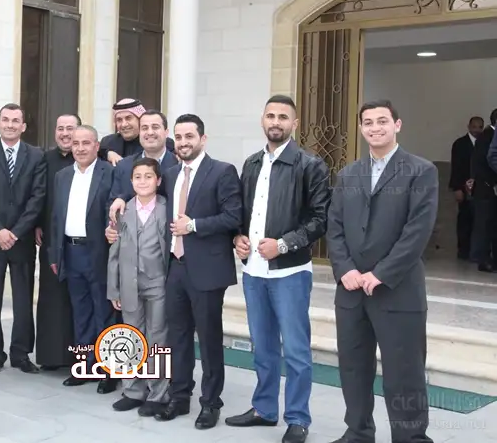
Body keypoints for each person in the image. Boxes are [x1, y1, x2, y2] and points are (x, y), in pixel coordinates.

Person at [108, 114, 243, 429]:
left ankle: (210, 403)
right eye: (179, 137)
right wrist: (120, 200)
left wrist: (193, 225)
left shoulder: (222, 171)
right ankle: (179, 397)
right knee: (177, 339)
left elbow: (233, 216)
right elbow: (146, 193)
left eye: (189, 136)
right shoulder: (169, 174)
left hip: (207, 270)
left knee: (208, 340)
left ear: (202, 139)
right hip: (175, 269)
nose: (183, 142)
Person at [326, 99, 438, 443]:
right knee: (353, 368)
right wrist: (345, 269)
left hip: (397, 291)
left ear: (397, 125)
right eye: (368, 122)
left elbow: (417, 231)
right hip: (351, 291)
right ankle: (358, 432)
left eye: (382, 121)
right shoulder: (348, 174)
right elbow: (335, 227)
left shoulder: (420, 171)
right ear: (361, 128)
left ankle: (411, 437)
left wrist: (382, 273)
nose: (375, 128)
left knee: (404, 373)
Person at [224, 95, 330, 443]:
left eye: (283, 117)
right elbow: (243, 212)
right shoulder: (252, 163)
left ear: (294, 124)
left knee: (296, 351)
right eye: (270, 115)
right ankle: (264, 409)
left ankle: (297, 418)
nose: (276, 122)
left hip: (290, 273)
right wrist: (238, 237)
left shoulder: (310, 165)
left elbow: (320, 219)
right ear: (262, 120)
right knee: (262, 346)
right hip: (254, 272)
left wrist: (283, 244)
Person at [0, 103, 46, 375]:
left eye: (16, 120)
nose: (10, 124)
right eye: (5, 120)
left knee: (23, 301)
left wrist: (16, 232)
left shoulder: (36, 155)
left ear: (23, 126)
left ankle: (21, 353)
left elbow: (38, 197)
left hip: (22, 240)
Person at [49, 125, 118, 394]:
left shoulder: (109, 172)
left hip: (99, 252)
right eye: (76, 143)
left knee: (104, 313)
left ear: (96, 146)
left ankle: (109, 371)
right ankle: (85, 366)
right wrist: (56, 253)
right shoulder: (62, 176)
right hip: (71, 251)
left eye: (86, 143)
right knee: (80, 313)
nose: (79, 148)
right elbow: (57, 217)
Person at [107, 158, 170, 417]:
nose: (143, 181)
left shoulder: (167, 208)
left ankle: (158, 393)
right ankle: (133, 390)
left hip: (159, 283)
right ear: (131, 181)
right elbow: (114, 252)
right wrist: (114, 288)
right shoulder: (122, 211)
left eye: (148, 176)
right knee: (132, 335)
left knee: (158, 337)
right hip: (129, 283)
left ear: (158, 180)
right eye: (137, 177)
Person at [35, 114, 81, 370]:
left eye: (70, 128)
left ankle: (79, 357)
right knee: (52, 299)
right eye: (60, 128)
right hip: (51, 239)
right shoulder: (45, 159)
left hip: (81, 242)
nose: (65, 133)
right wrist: (37, 224)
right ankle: (51, 357)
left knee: (78, 300)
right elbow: (37, 195)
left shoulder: (89, 157)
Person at [108, 109, 179, 206]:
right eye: (144, 128)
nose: (150, 132)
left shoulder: (179, 165)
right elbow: (112, 204)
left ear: (166, 132)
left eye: (155, 127)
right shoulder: (124, 166)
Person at [100, 99, 175, 165]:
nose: (124, 124)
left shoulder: (163, 142)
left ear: (140, 120)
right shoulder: (108, 143)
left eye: (128, 118)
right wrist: (107, 154)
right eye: (119, 120)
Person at [448, 116, 482, 260]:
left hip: (480, 188)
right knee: (464, 219)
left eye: (480, 127)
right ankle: (463, 250)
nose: (477, 130)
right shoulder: (460, 144)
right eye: (474, 127)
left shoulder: (483, 143)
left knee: (477, 220)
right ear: (468, 127)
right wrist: (457, 188)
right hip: (463, 187)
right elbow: (456, 167)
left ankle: (475, 251)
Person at [471, 109, 497, 273]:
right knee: (484, 224)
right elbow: (486, 161)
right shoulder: (488, 136)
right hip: (486, 187)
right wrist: (492, 183)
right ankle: (482, 259)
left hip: (487, 186)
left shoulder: (487, 136)